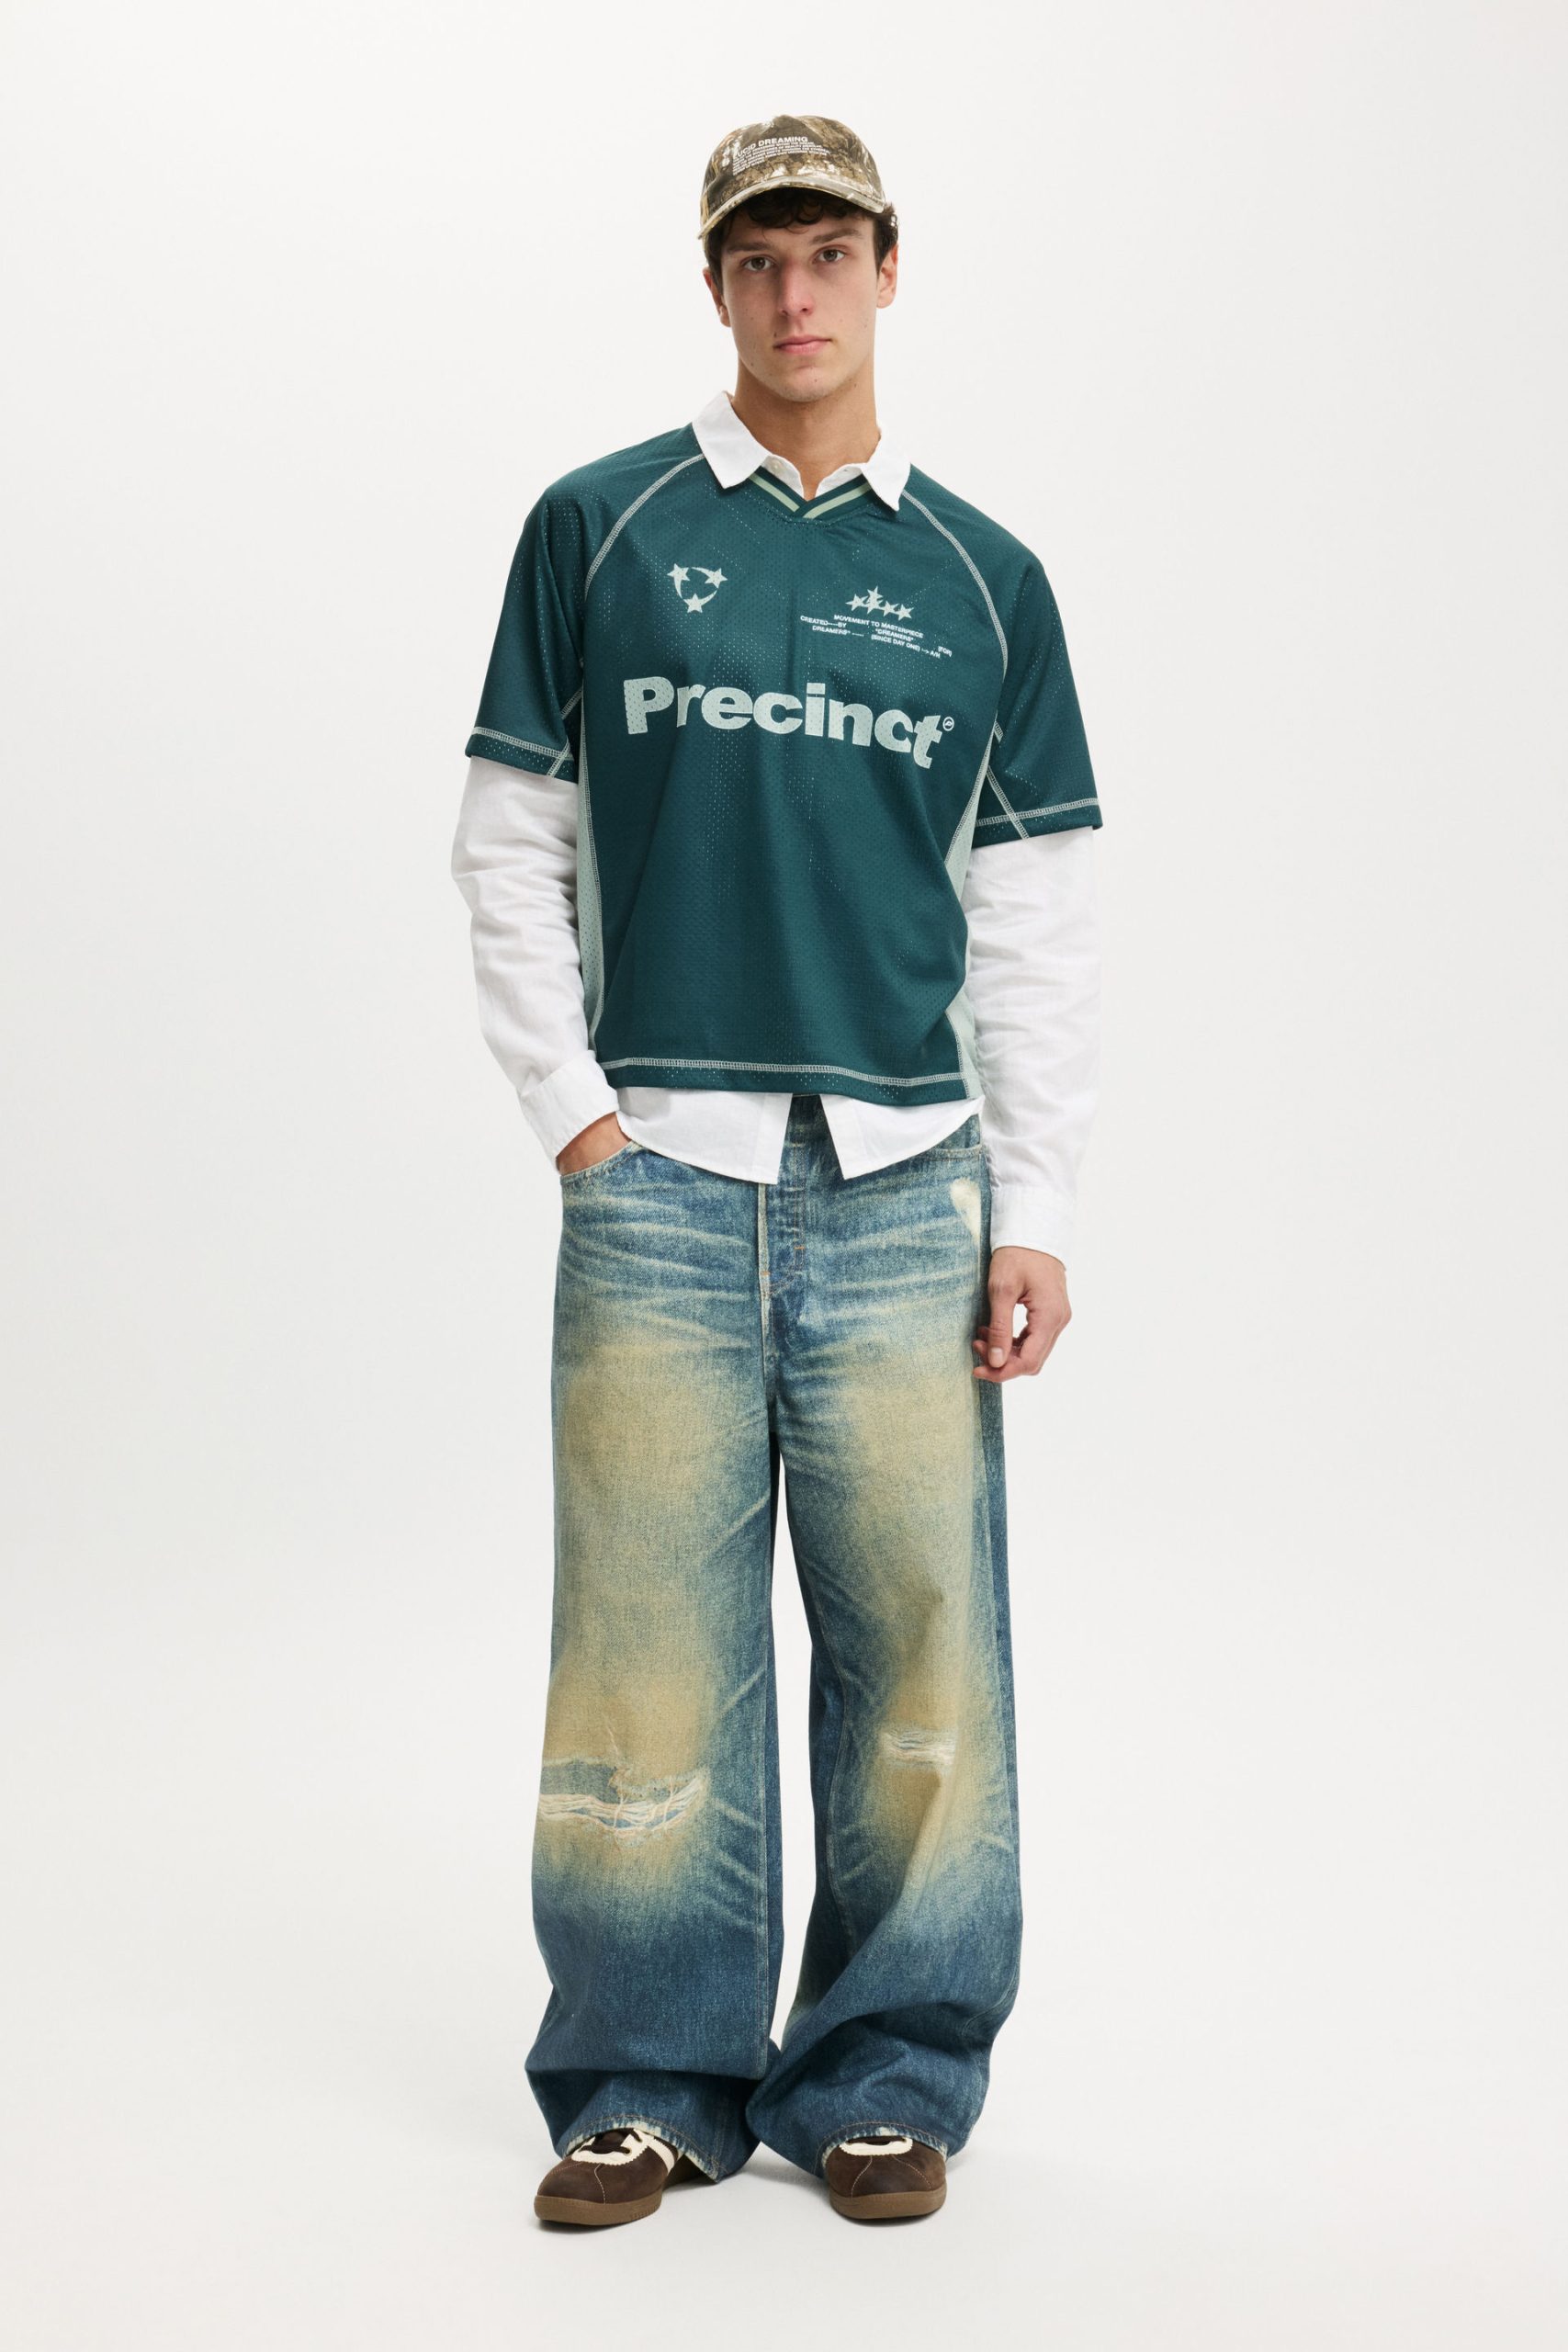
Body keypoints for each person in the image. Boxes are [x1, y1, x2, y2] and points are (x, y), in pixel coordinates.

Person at [449, 113, 1103, 2228]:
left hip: (907, 1185)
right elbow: (505, 838)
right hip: (657, 1176)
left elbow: (1034, 911)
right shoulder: (600, 529)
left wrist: (1035, 1206)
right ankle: (646, 2075)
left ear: (888, 268)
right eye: (755, 259)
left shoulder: (985, 580)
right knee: (646, 1640)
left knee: (921, 1646)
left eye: (826, 252)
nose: (793, 293)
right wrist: (577, 1111)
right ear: (715, 285)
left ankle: (888, 2071)